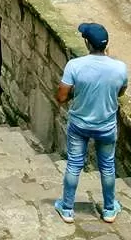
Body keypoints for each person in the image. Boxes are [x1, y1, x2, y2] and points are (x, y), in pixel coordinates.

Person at [53, 22, 127, 225]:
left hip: (79, 124)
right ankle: (110, 209)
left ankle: (67, 209)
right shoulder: (120, 67)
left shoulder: (75, 66)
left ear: (87, 42)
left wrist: (78, 93)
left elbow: (61, 97)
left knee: (74, 165)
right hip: (106, 125)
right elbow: (121, 92)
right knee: (108, 167)